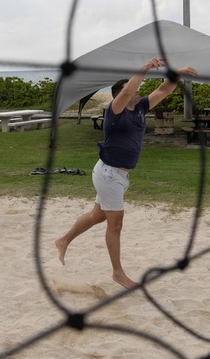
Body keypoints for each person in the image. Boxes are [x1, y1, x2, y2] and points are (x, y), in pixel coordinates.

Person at [55, 57, 198, 289]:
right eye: (133, 89)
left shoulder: (140, 107)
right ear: (120, 94)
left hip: (118, 176)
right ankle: (118, 273)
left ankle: (63, 240)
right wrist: (145, 68)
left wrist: (178, 72)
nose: (138, 91)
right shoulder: (115, 111)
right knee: (115, 223)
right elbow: (129, 88)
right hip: (109, 174)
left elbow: (164, 88)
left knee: (97, 216)